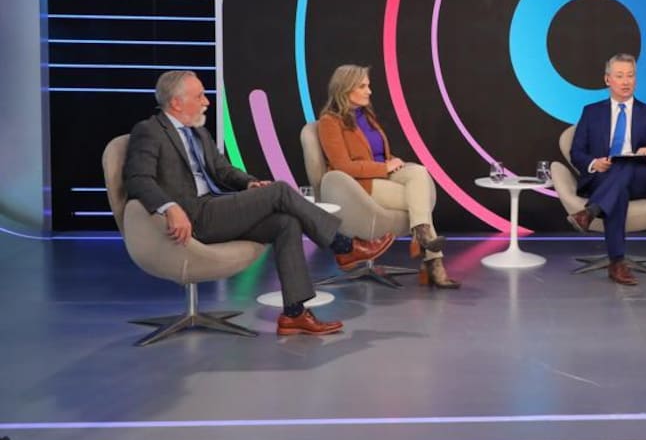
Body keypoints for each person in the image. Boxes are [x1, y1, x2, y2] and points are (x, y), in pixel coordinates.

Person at [124, 71, 394, 336]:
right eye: (200, 96)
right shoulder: (149, 131)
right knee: (279, 191)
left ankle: (294, 313)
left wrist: (249, 183)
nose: (207, 101)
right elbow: (137, 179)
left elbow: (222, 170)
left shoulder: (198, 132)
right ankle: (344, 245)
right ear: (176, 103)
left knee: (286, 223)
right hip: (193, 215)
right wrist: (169, 208)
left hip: (214, 207)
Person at [316, 64, 458, 289]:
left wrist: (393, 162)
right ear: (345, 89)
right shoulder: (329, 122)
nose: (369, 91)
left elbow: (377, 152)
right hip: (358, 186)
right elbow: (342, 166)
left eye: (368, 86)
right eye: (363, 86)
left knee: (419, 172)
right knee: (417, 201)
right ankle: (433, 261)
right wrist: (385, 168)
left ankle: (422, 236)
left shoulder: (365, 115)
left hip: (382, 172)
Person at [567, 53, 646, 286]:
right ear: (607, 80)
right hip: (602, 178)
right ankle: (617, 262)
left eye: (630, 76)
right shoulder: (591, 112)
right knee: (618, 190)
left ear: (636, 80)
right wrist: (595, 163)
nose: (626, 81)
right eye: (620, 76)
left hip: (640, 179)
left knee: (625, 165)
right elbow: (577, 152)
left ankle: (590, 211)